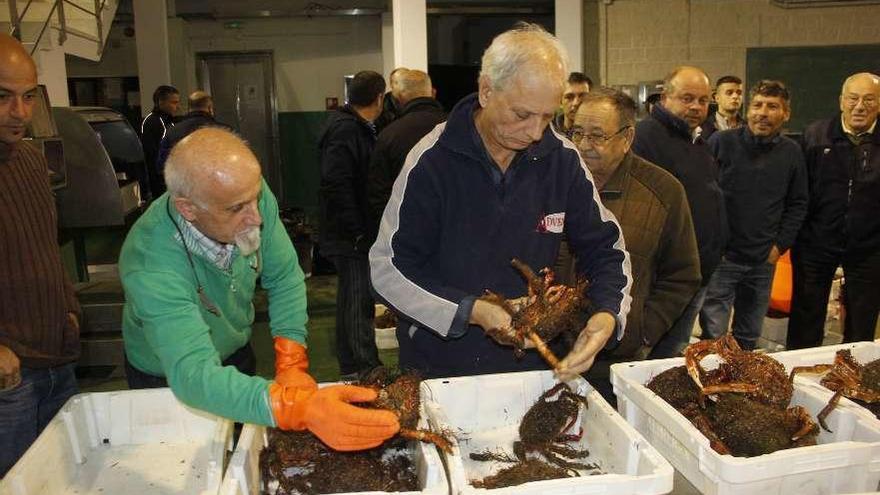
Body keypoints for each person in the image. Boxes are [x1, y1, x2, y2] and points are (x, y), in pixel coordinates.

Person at [369, 23, 631, 381]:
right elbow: (389, 269)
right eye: (522, 115)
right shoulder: (432, 160)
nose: (536, 133)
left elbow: (605, 249)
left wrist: (606, 315)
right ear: (486, 91)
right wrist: (472, 311)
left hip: (534, 366)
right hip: (441, 367)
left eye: (547, 116)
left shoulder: (561, 159)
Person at [119, 127, 398, 450]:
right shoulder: (151, 263)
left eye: (256, 199)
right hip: (167, 375)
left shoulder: (244, 193)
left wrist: (291, 361)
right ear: (188, 209)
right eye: (237, 208)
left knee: (241, 450)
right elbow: (193, 376)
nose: (256, 218)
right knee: (186, 462)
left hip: (234, 348)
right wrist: (297, 409)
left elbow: (284, 276)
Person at [559, 88, 700, 403]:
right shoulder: (552, 184)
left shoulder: (663, 192)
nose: (583, 145)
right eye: (577, 133)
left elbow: (682, 275)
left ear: (627, 138)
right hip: (549, 353)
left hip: (615, 359)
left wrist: (643, 331)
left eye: (597, 136)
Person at [0, 34, 81, 477]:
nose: (21, 112)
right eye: (4, 97)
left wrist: (69, 310)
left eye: (28, 96)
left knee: (63, 481)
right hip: (7, 381)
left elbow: (45, 247)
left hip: (57, 360)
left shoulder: (30, 160)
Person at [700, 80, 808, 350]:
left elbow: (798, 203)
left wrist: (778, 246)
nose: (763, 112)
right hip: (724, 259)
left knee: (748, 337)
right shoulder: (721, 143)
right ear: (748, 111)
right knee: (713, 338)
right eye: (757, 105)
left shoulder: (792, 152)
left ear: (786, 113)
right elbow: (703, 197)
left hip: (763, 261)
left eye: (772, 107)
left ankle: (738, 390)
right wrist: (715, 245)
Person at [632, 65, 727, 358]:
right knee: (656, 354)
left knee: (675, 350)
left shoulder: (696, 138)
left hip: (697, 270)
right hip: (666, 277)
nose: (697, 107)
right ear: (665, 98)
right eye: (687, 98)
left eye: (703, 100)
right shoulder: (645, 137)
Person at [787, 72, 880, 349]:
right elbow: (799, 192)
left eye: (869, 99)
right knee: (806, 317)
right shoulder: (815, 135)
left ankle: (856, 382)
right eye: (853, 98)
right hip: (816, 243)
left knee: (862, 322)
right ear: (841, 101)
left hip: (870, 247)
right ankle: (798, 375)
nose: (859, 106)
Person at [318, 70, 386, 380]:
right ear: (379, 98)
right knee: (359, 299)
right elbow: (338, 183)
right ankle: (365, 366)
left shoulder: (351, 127)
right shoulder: (348, 131)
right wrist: (357, 230)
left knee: (350, 296)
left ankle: (351, 363)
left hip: (346, 229)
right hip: (349, 233)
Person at [367, 69, 446, 241]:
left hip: (406, 234)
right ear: (432, 93)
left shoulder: (389, 135)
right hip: (453, 232)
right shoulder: (457, 128)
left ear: (398, 99)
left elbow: (378, 194)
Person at [155, 90, 231, 172]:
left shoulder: (172, 131)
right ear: (210, 108)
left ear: (189, 109)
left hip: (182, 181)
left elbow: (161, 165)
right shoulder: (224, 131)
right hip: (216, 181)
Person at [140, 85, 180, 199]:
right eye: (173, 103)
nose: (177, 107)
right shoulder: (152, 122)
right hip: (160, 179)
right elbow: (152, 153)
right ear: (161, 102)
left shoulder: (170, 122)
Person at [700, 75, 744, 140]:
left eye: (739, 93)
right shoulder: (702, 128)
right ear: (716, 98)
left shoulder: (749, 127)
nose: (735, 96)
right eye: (729, 93)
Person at [553, 71, 593, 138]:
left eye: (583, 96)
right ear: (560, 102)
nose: (576, 103)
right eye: (569, 97)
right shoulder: (549, 134)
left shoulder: (601, 133)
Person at [374, 67, 408, 133]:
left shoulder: (417, 103)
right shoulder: (380, 104)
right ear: (391, 84)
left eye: (406, 82)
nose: (403, 86)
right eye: (398, 82)